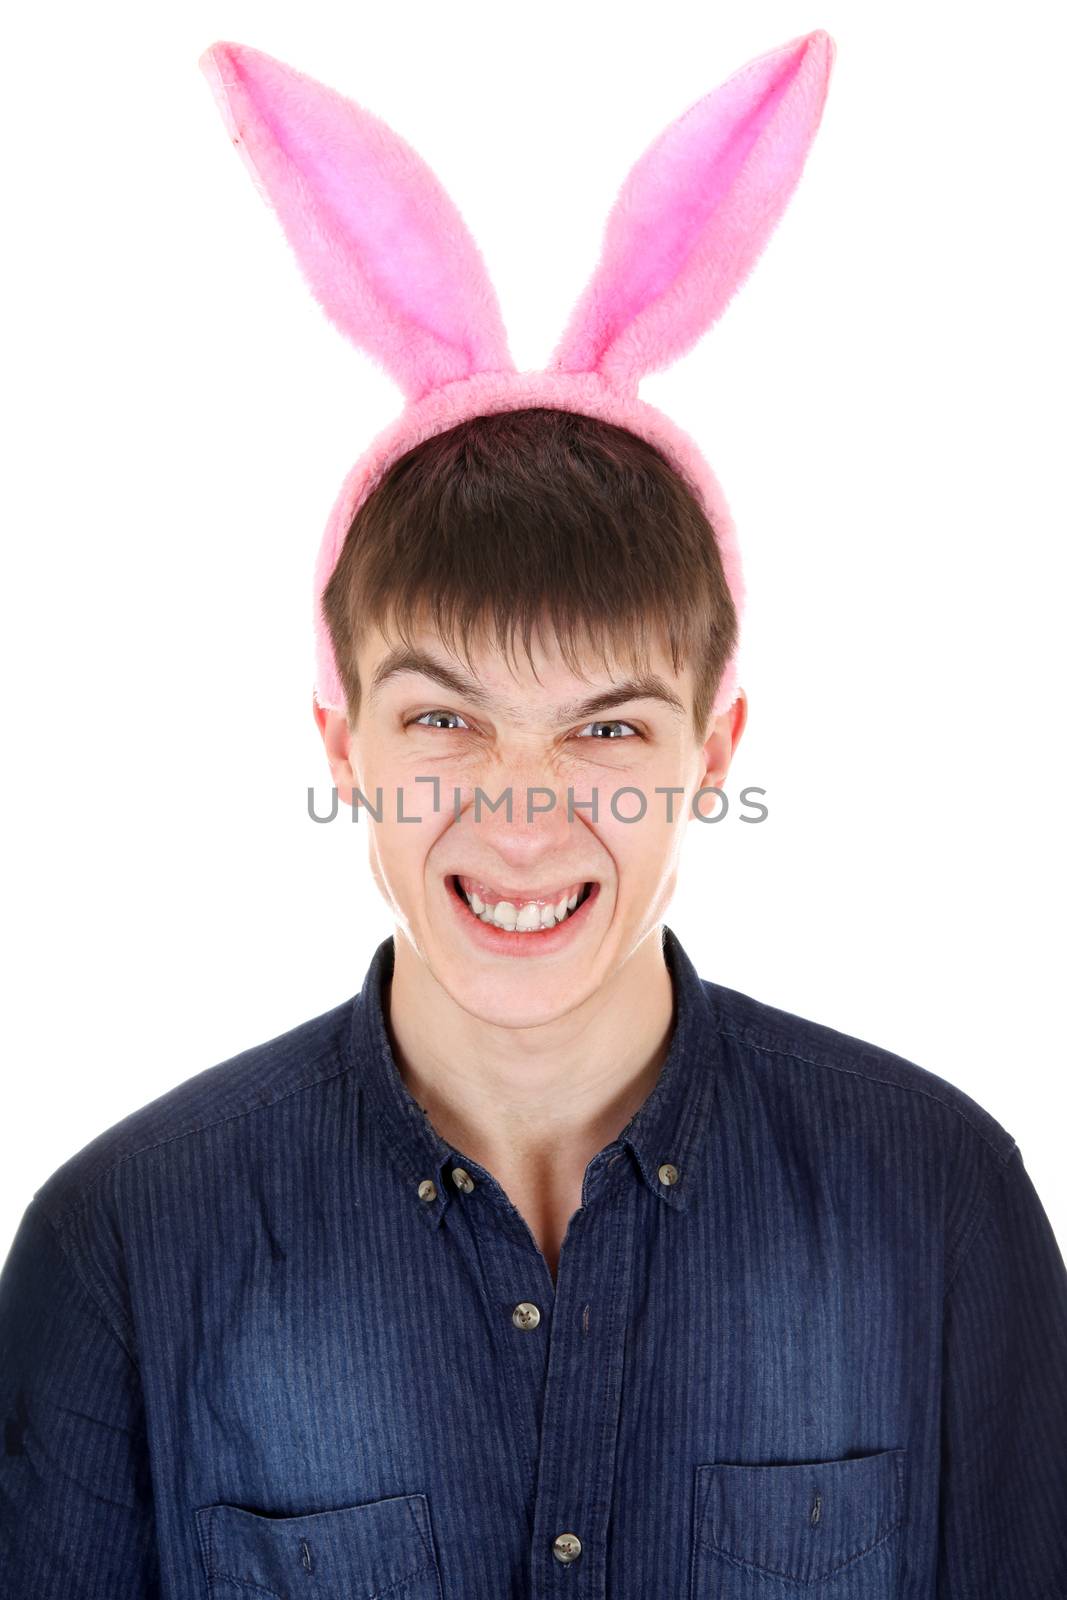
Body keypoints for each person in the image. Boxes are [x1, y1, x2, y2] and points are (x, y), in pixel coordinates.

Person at [3, 30, 1065, 1600]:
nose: (520, 813)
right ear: (339, 742)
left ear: (716, 750)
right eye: (444, 720)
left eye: (607, 731)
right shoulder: (124, 1246)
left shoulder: (938, 1204)